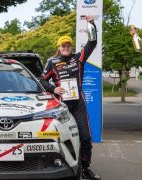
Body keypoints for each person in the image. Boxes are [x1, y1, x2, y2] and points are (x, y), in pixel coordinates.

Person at [39, 15, 101, 180]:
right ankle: (58, 166)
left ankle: (86, 168)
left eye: (68, 45)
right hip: (62, 104)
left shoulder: (78, 58)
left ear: (71, 46)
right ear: (58, 47)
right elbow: (41, 81)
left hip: (78, 102)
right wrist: (54, 88)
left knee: (86, 137)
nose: (66, 47)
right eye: (63, 45)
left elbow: (92, 42)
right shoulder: (52, 62)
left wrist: (91, 23)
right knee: (61, 138)